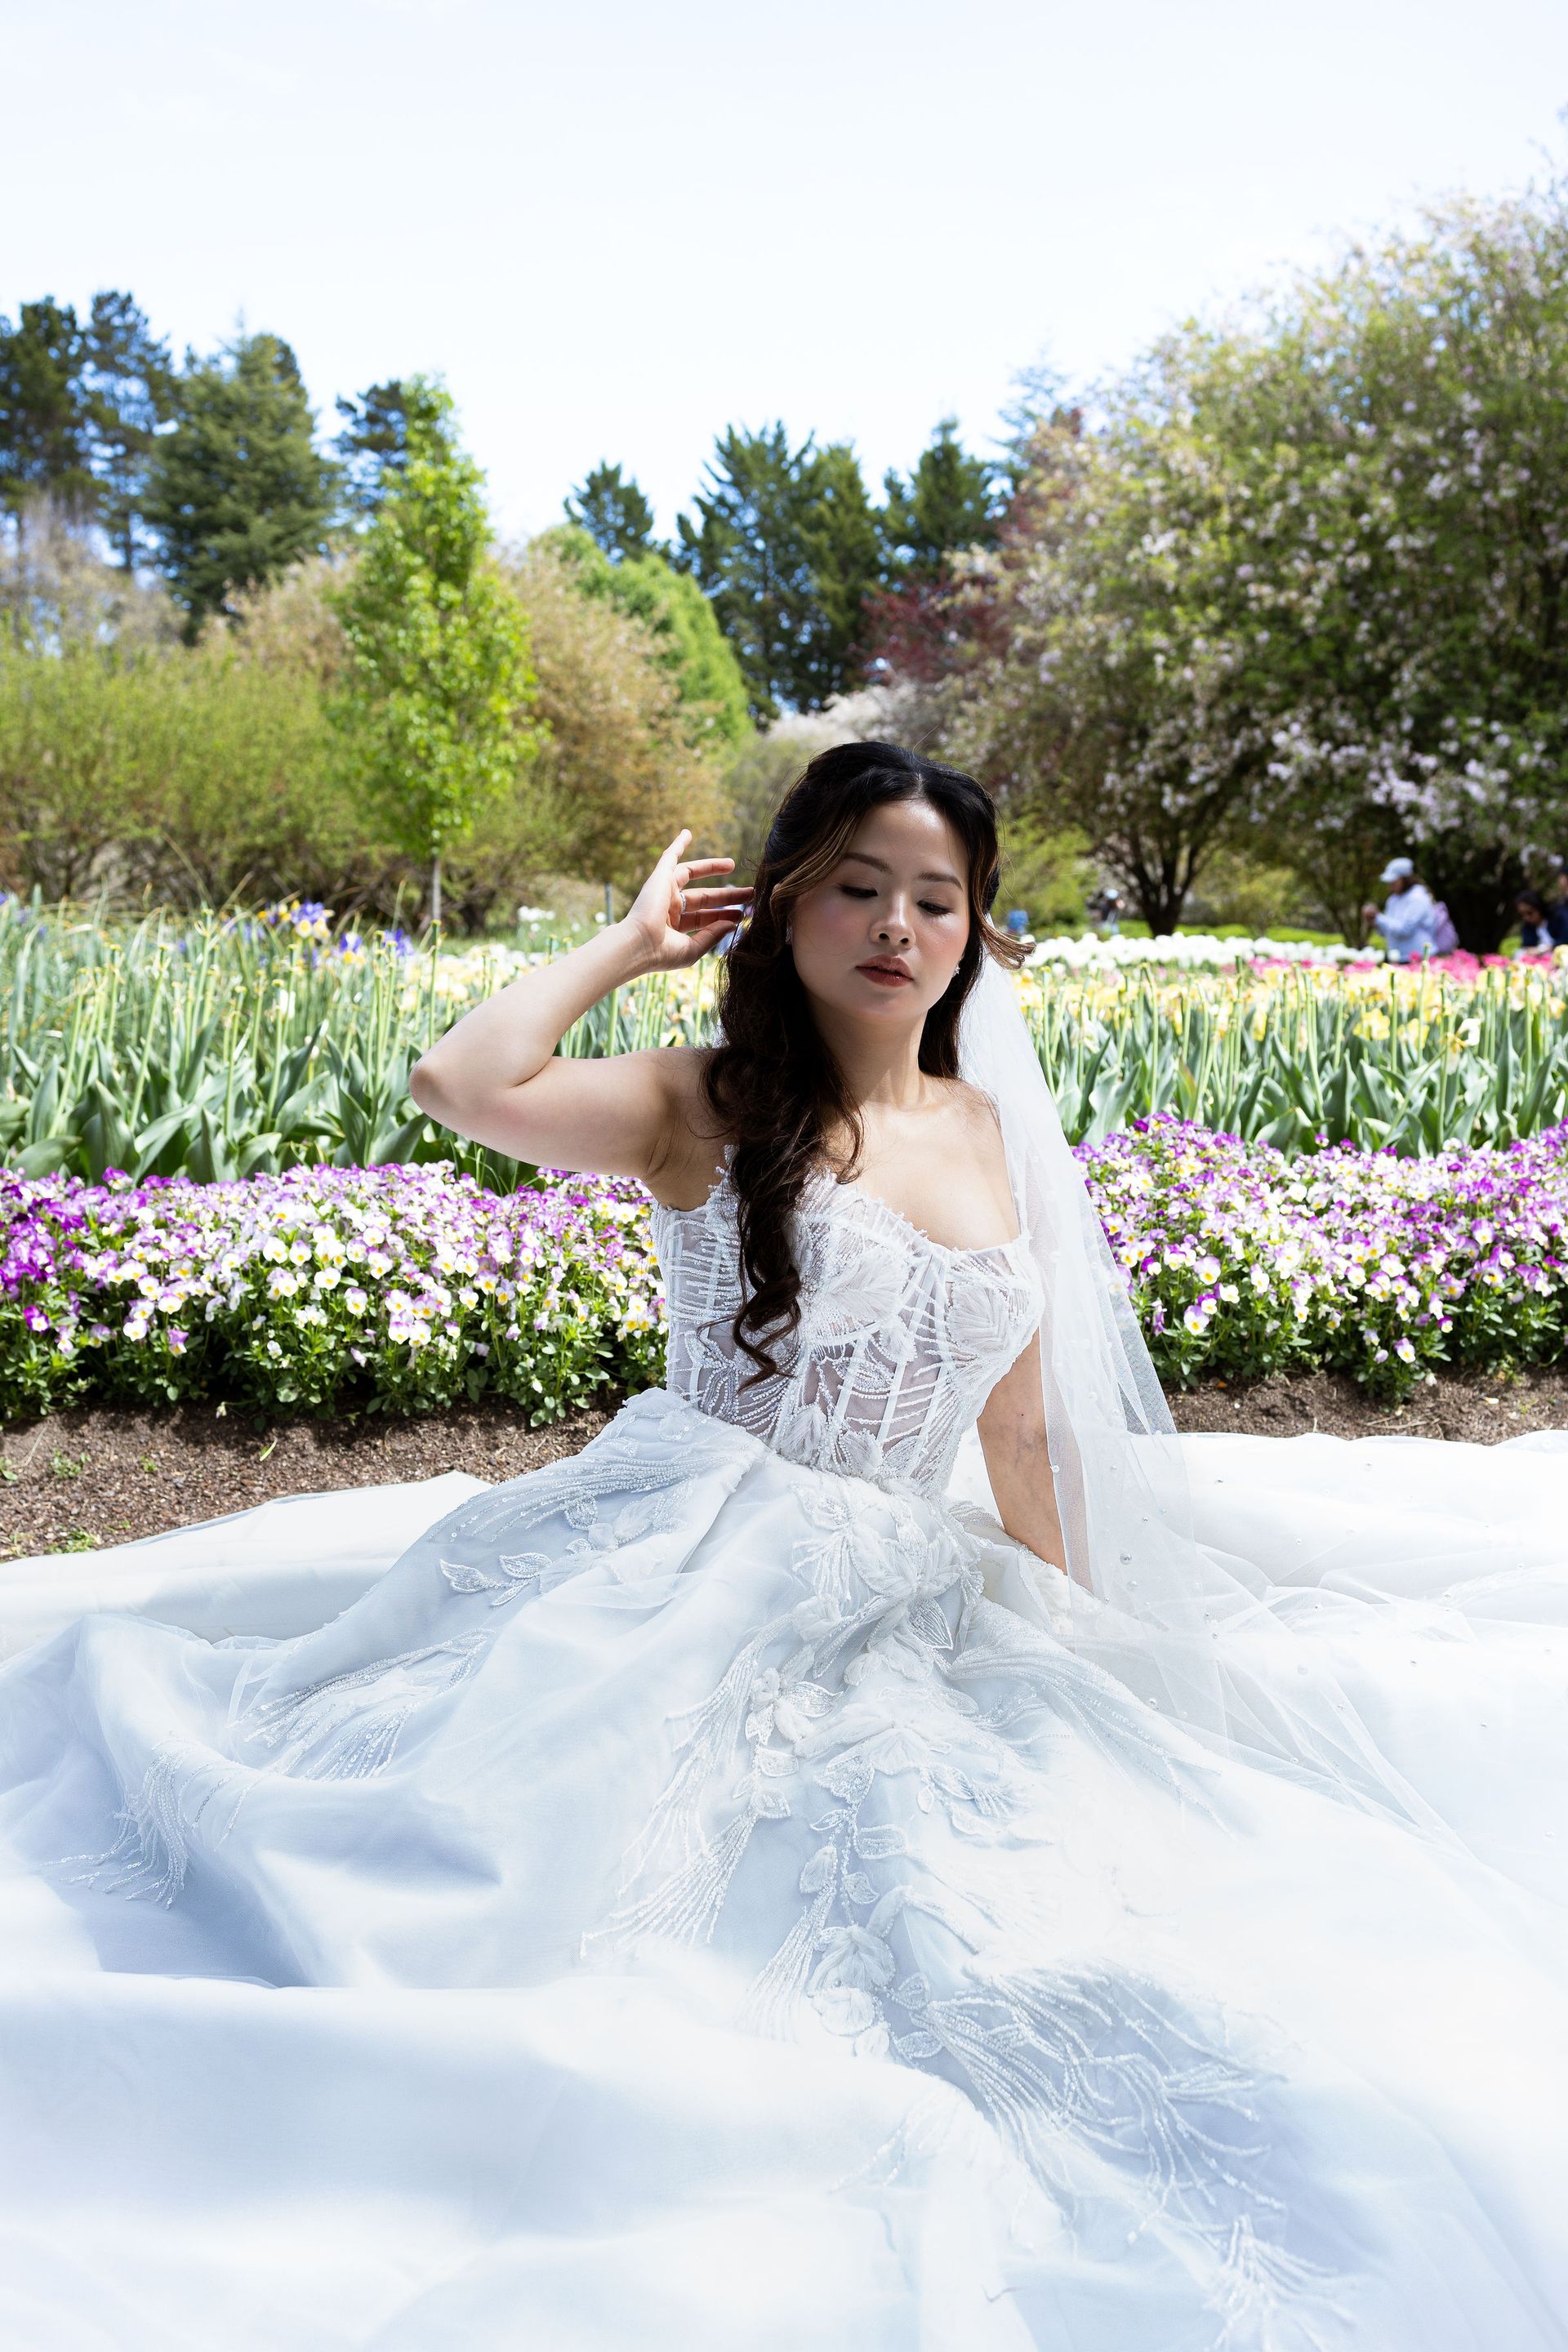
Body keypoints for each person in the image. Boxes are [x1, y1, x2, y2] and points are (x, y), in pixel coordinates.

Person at [0, 742, 1565, 2350]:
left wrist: (1098, 1625)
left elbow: (1018, 1432)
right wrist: (626, 945)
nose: (897, 925)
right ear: (792, 905)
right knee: (557, 1877)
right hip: (686, 1548)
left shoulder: (994, 1132)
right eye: (858, 888)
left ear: (973, 933)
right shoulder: (710, 1100)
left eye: (935, 898)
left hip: (901, 1578)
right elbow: (463, 1086)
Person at [1363, 854, 1438, 961]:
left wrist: (1378, 917)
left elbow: (1405, 929)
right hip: (1399, 958)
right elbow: (1387, 931)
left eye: (1394, 881)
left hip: (1420, 958)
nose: (1391, 885)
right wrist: (1374, 921)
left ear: (1405, 879)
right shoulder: (1393, 899)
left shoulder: (1418, 897)